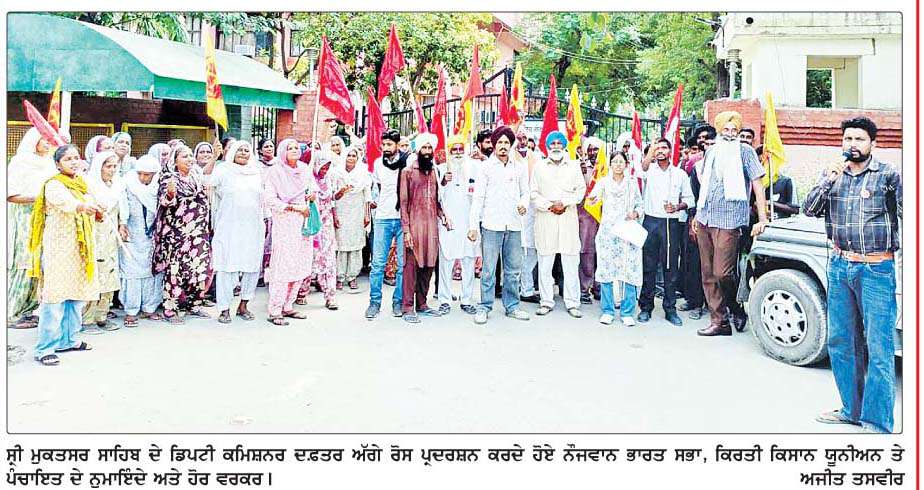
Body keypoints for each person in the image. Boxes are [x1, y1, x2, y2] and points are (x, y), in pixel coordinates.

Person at [804, 117, 901, 434]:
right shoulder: (833, 175)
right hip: (840, 266)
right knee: (841, 341)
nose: (852, 145)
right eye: (848, 139)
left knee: (878, 346)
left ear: (873, 143)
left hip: (876, 269)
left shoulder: (888, 175)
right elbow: (809, 209)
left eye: (859, 139)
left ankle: (877, 421)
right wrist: (827, 181)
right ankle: (851, 410)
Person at [693, 111, 768, 336]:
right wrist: (697, 214)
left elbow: (758, 184)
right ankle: (720, 321)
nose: (730, 133)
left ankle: (735, 306)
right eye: (726, 129)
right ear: (718, 130)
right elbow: (705, 185)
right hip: (705, 217)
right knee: (707, 273)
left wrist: (763, 218)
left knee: (722, 273)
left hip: (729, 220)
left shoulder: (745, 152)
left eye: (734, 130)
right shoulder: (711, 151)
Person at [29, 145, 102, 365]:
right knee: (55, 296)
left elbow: (92, 202)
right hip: (59, 248)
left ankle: (67, 340)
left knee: (75, 295)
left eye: (76, 158)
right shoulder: (53, 184)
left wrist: (97, 209)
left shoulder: (82, 183)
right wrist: (83, 206)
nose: (73, 162)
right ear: (58, 164)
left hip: (80, 248)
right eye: (68, 159)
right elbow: (66, 203)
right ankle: (45, 348)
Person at [468, 125, 531, 324]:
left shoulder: (519, 167)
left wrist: (523, 204)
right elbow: (478, 198)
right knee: (488, 270)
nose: (503, 146)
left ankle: (512, 306)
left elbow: (526, 192)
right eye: (500, 142)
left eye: (506, 142)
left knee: (512, 270)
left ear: (511, 145)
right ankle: (484, 306)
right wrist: (473, 226)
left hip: (513, 225)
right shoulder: (486, 168)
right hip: (491, 225)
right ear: (494, 145)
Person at [152, 145, 212, 323]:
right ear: (175, 160)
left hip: (198, 233)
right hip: (177, 234)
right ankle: (170, 309)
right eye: (185, 156)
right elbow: (164, 201)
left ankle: (194, 304)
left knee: (197, 268)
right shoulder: (168, 178)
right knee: (175, 270)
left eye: (190, 155)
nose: (190, 159)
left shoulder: (196, 176)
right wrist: (170, 195)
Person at [638, 138, 694, 326]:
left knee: (670, 267)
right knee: (648, 266)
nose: (660, 151)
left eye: (664, 148)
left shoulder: (679, 174)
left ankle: (670, 309)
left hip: (671, 224)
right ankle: (646, 307)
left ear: (671, 151)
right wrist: (651, 150)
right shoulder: (649, 170)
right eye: (657, 148)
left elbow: (690, 200)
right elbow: (642, 168)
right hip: (650, 221)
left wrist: (677, 206)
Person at [530, 131, 586, 318]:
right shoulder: (539, 167)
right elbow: (533, 193)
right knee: (545, 262)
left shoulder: (574, 166)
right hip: (546, 218)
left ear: (564, 146)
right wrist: (550, 205)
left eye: (558, 143)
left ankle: (572, 303)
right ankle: (546, 301)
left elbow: (580, 191)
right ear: (547, 147)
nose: (555, 146)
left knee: (570, 262)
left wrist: (565, 203)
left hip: (567, 218)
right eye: (552, 143)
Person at [7, 128, 58, 329]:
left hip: (46, 218)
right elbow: (10, 195)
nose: (47, 143)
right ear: (33, 140)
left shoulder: (50, 163)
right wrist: (38, 199)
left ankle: (27, 310)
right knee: (24, 263)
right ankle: (11, 312)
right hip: (25, 217)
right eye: (43, 139)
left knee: (39, 264)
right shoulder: (20, 162)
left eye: (49, 139)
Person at [587, 151, 644, 326]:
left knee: (629, 271)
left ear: (626, 164)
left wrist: (635, 213)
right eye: (615, 161)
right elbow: (592, 198)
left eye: (621, 161)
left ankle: (627, 312)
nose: (618, 164)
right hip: (608, 233)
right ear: (610, 164)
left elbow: (640, 205)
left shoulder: (632, 184)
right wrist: (593, 198)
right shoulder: (603, 182)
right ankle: (607, 310)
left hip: (627, 234)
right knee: (607, 271)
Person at [262, 137, 315, 325]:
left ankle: (288, 305)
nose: (294, 150)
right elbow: (270, 200)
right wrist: (294, 208)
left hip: (303, 223)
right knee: (283, 265)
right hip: (285, 221)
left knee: (300, 263)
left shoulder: (305, 170)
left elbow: (312, 191)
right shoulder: (275, 171)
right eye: (289, 148)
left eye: (296, 147)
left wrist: (312, 195)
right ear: (283, 151)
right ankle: (275, 309)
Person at [210, 140, 264, 324]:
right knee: (226, 266)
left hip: (253, 226)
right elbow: (208, 186)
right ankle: (224, 308)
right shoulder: (223, 170)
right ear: (232, 152)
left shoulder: (257, 172)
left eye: (246, 150)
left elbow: (263, 199)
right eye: (239, 149)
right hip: (229, 226)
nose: (243, 153)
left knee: (251, 266)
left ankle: (244, 305)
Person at [398, 133, 446, 323]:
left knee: (429, 264)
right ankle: (407, 307)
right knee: (411, 267)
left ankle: (422, 303)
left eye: (429, 148)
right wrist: (406, 231)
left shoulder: (434, 172)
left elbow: (436, 200)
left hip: (431, 227)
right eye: (424, 148)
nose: (427, 151)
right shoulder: (408, 172)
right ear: (418, 150)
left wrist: (444, 216)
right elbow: (403, 204)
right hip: (414, 226)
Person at [365, 129, 409, 319]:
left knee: (402, 264)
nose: (386, 147)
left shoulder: (408, 162)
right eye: (384, 144)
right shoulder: (378, 164)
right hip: (383, 217)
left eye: (389, 144)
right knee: (377, 264)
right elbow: (379, 187)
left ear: (397, 145)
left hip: (402, 218)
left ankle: (398, 301)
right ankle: (374, 302)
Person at [117, 155, 163, 327]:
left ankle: (149, 307)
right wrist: (122, 223)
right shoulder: (128, 183)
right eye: (140, 174)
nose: (143, 178)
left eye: (147, 175)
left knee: (151, 271)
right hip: (132, 233)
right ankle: (131, 310)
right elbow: (123, 204)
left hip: (152, 235)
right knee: (131, 271)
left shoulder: (159, 186)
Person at [436, 135, 480, 315]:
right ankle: (444, 299)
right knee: (446, 260)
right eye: (454, 150)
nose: (458, 153)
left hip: (468, 222)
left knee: (468, 260)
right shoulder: (440, 169)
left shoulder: (474, 168)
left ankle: (467, 299)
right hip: (448, 223)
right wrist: (444, 182)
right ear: (449, 151)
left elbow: (479, 194)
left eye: (461, 149)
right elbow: (436, 197)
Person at [81, 151, 124, 332]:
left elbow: (120, 208)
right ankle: (87, 319)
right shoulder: (89, 185)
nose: (112, 170)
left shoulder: (116, 185)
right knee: (95, 275)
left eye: (115, 166)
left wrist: (122, 224)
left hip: (111, 236)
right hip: (95, 234)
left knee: (110, 274)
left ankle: (102, 316)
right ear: (99, 167)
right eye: (108, 166)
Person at [299, 157, 344, 310]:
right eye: (322, 168)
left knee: (328, 259)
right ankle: (302, 292)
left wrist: (335, 214)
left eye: (327, 168)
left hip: (327, 224)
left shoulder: (329, 180)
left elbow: (332, 201)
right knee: (309, 257)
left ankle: (330, 296)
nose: (324, 171)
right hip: (311, 223)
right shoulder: (307, 180)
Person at [678, 136, 708, 320]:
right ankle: (695, 302)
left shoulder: (727, 165)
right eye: (704, 143)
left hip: (718, 223)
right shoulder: (696, 167)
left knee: (714, 267)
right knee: (694, 263)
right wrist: (692, 221)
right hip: (696, 221)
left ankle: (715, 304)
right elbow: (692, 198)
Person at [336, 146, 371, 291]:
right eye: (349, 155)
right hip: (342, 211)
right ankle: (339, 276)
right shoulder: (337, 173)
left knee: (356, 245)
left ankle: (352, 276)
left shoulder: (363, 173)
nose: (351, 158)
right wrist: (342, 190)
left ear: (358, 158)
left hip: (357, 212)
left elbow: (367, 196)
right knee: (341, 245)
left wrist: (367, 214)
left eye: (354, 155)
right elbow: (334, 196)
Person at [514, 127, 542, 304]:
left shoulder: (536, 158)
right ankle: (514, 288)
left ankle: (527, 289)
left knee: (531, 251)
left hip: (533, 210)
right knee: (515, 253)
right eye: (519, 137)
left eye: (525, 137)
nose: (522, 141)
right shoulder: (510, 157)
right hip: (515, 209)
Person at [578, 137, 604, 304]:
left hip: (605, 216)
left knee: (602, 252)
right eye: (590, 149)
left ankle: (599, 286)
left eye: (596, 149)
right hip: (586, 216)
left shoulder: (607, 168)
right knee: (586, 252)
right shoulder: (581, 168)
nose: (593, 152)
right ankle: (584, 289)